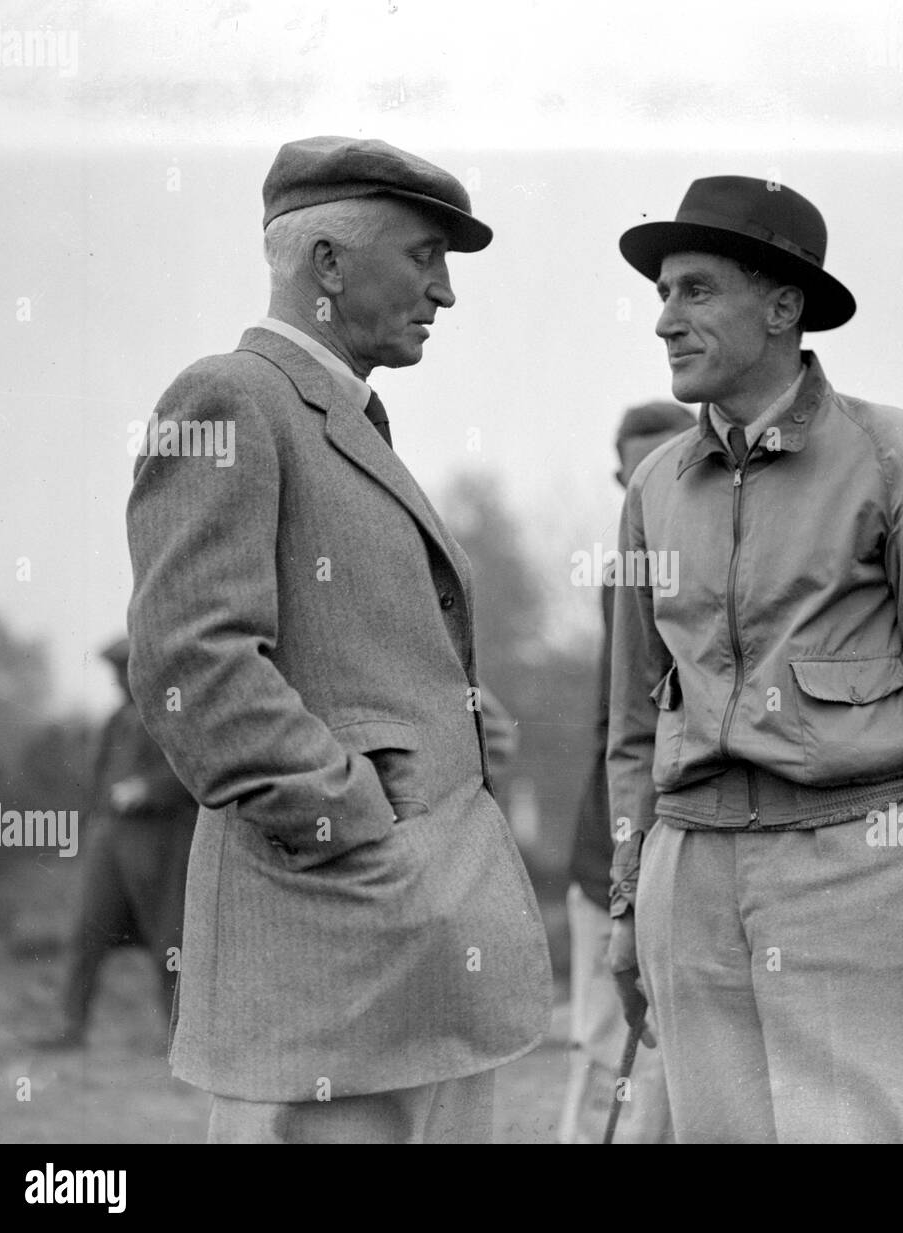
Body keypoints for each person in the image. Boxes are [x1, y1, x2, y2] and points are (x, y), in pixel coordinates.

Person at [125, 136, 552, 1144]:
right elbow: (195, 666)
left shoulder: (342, 416)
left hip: (408, 972)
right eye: (421, 256)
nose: (443, 292)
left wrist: (449, 725)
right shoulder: (229, 397)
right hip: (323, 963)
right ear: (325, 264)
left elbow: (344, 662)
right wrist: (357, 818)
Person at [606, 175, 903, 1143]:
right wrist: (631, 903)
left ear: (782, 306)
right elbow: (633, 723)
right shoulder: (653, 488)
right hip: (688, 877)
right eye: (661, 294)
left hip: (854, 869)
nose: (666, 319)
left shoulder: (901, 458)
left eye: (696, 290)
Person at [558, 401, 692, 1145]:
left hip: (697, 837)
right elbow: (623, 727)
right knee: (603, 1031)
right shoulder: (628, 573)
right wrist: (620, 860)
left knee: (683, 1044)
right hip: (617, 836)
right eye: (636, 471)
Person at [38, 635, 197, 1048]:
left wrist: (147, 788)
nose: (116, 682)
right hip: (108, 842)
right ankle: (68, 1029)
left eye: (122, 672)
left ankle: (181, 1040)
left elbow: (195, 775)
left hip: (159, 846)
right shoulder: (114, 722)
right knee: (85, 935)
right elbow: (96, 781)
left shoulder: (174, 715)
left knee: (170, 944)